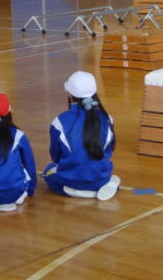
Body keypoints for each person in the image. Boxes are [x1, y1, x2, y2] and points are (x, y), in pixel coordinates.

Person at [42, 71, 120, 201]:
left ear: (69, 94)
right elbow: (110, 150)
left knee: (48, 171)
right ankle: (102, 184)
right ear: (94, 92)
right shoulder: (107, 118)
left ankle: (75, 189)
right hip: (99, 179)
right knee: (101, 170)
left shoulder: (59, 121)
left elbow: (56, 156)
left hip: (69, 182)